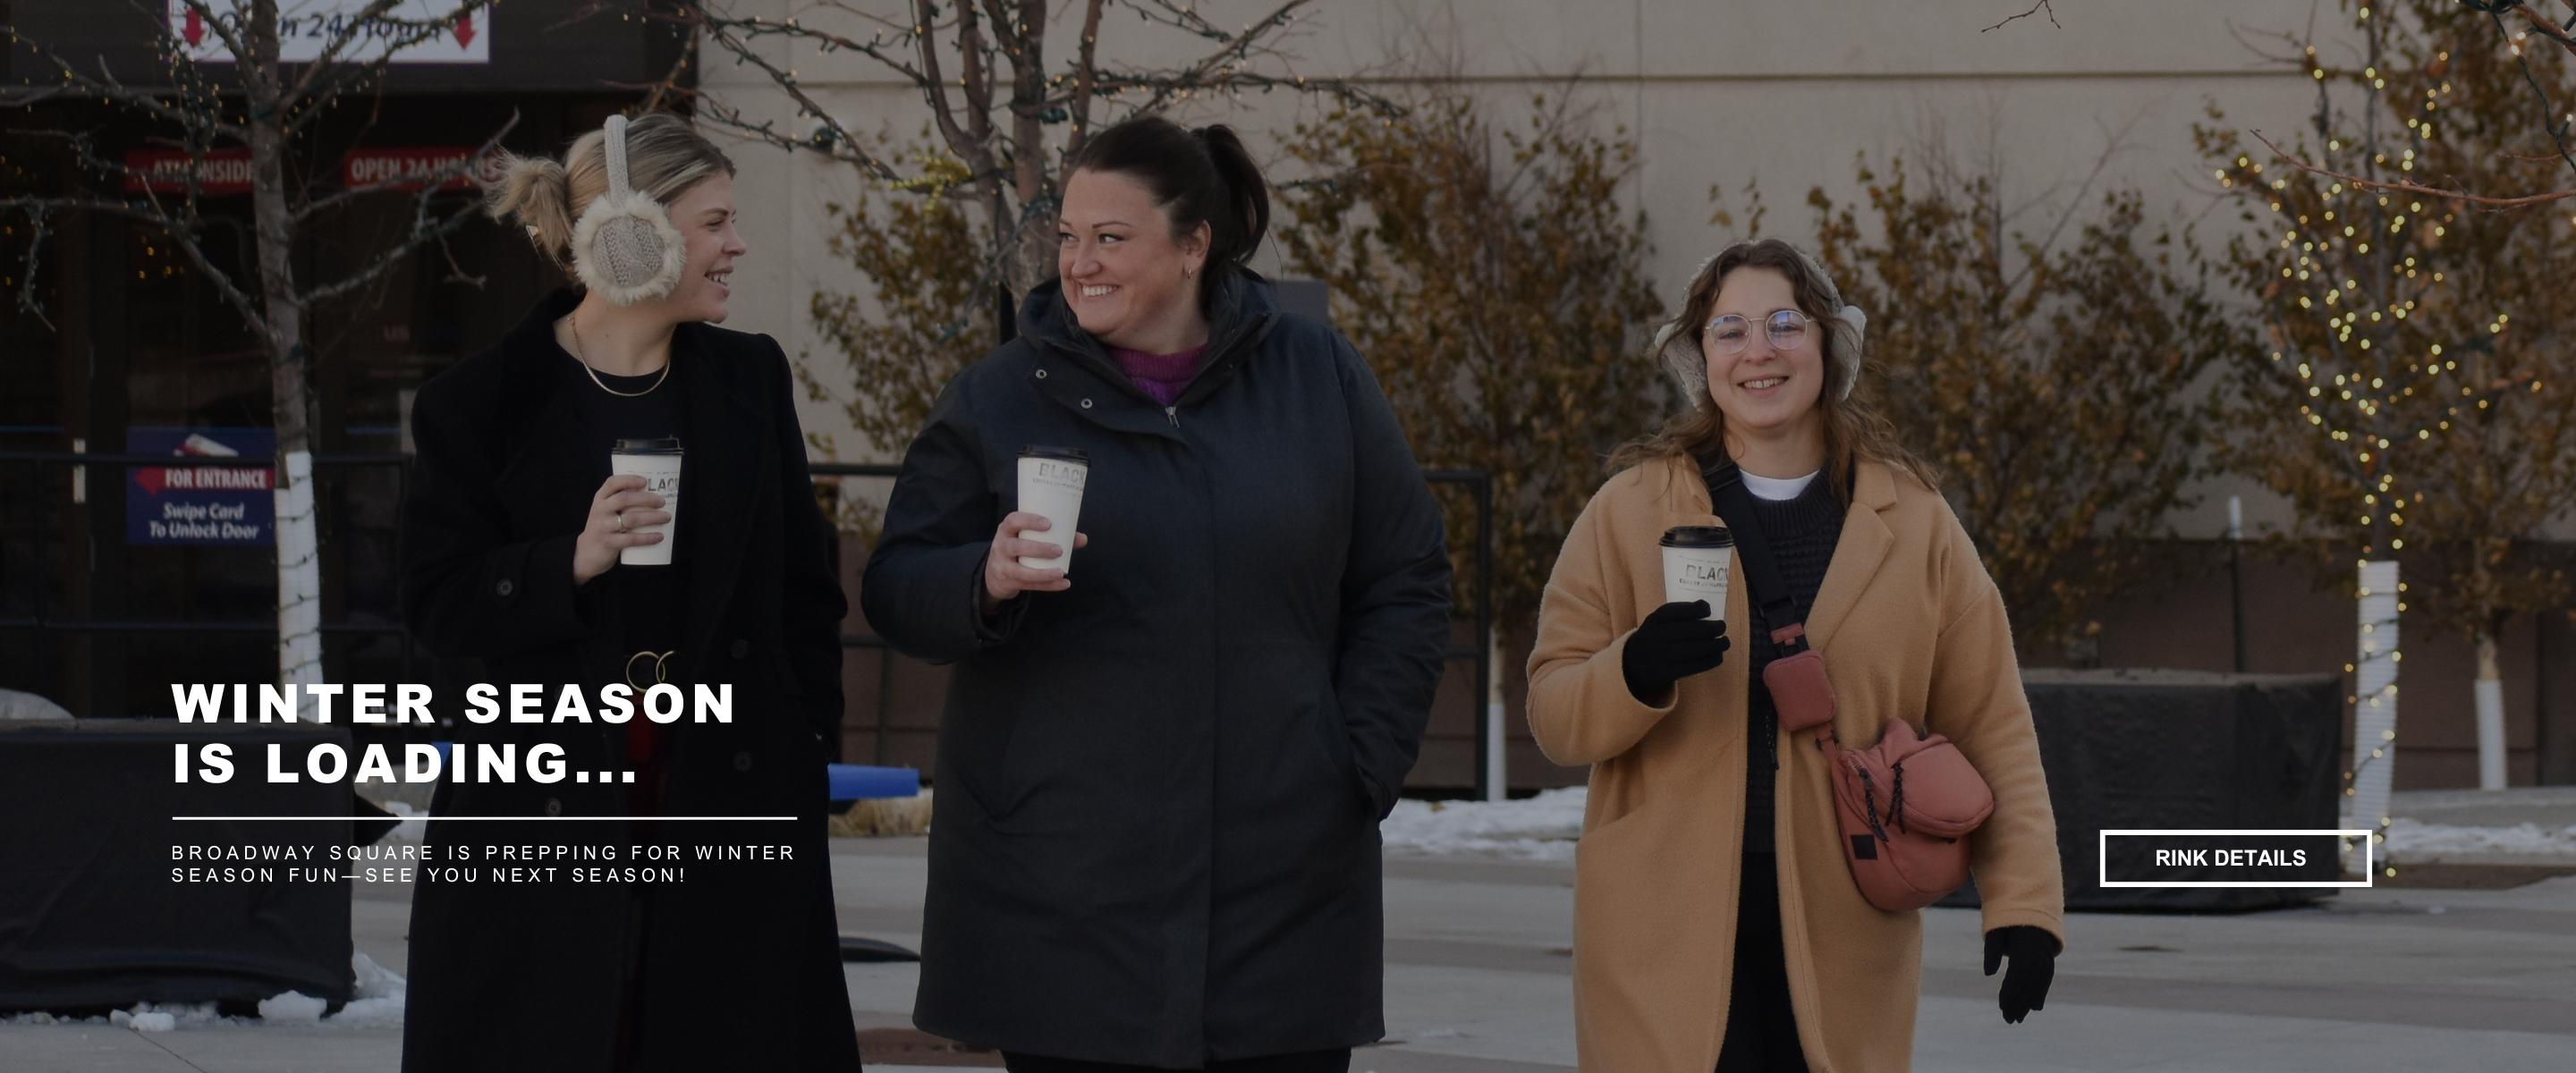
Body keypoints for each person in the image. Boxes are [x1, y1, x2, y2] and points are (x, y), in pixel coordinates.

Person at [860, 115, 1453, 1072]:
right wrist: (984, 578)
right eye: (1069, 237)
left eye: (1111, 238)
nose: (1080, 263)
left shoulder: (1317, 379)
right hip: (1059, 887)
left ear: (1192, 247)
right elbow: (895, 586)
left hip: (1282, 886)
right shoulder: (1000, 395)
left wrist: (1354, 768)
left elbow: (1408, 578)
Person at [1525, 238, 2063, 1072]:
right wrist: (1633, 670)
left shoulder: (1915, 522)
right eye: (1729, 330)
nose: (1759, 351)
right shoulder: (1628, 509)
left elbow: (1994, 723)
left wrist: (2023, 904)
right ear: (1699, 358)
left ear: (1827, 343)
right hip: (1659, 926)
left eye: (1783, 323)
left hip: (1847, 922)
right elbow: (1554, 713)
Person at [398, 113, 861, 1072]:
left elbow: (804, 596)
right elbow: (436, 605)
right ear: (631, 233)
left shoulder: (749, 379)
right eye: (716, 222)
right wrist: (565, 559)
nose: (738, 245)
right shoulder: (477, 404)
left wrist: (807, 749)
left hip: (726, 796)